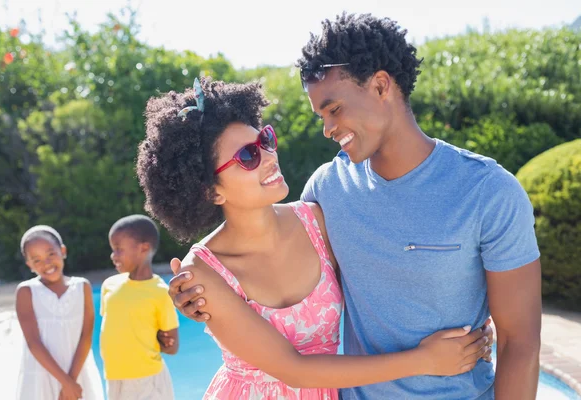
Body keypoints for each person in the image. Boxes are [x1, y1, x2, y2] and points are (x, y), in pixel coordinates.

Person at [172, 13, 543, 400]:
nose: (327, 129)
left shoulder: (489, 192)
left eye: (334, 109)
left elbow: (520, 343)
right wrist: (198, 296)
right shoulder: (327, 191)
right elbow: (263, 248)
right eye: (320, 116)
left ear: (381, 85)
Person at [136, 77, 493, 399]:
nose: (269, 157)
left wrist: (468, 320)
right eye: (248, 156)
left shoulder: (316, 220)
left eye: (265, 140)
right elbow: (293, 369)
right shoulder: (203, 275)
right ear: (211, 191)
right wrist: (425, 360)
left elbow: (389, 274)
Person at [15, 225, 104, 400]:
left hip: (78, 373)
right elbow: (33, 342)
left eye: (51, 254)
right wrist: (66, 383)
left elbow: (86, 336)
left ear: (62, 251)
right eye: (37, 260)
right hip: (41, 375)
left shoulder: (82, 286)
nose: (46, 263)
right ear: (29, 265)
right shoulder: (26, 291)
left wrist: (72, 381)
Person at [100, 215, 179, 400]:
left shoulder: (160, 292)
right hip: (114, 378)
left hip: (147, 380)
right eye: (113, 250)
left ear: (143, 248)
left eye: (118, 250)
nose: (113, 256)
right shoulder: (109, 285)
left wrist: (159, 340)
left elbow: (172, 347)